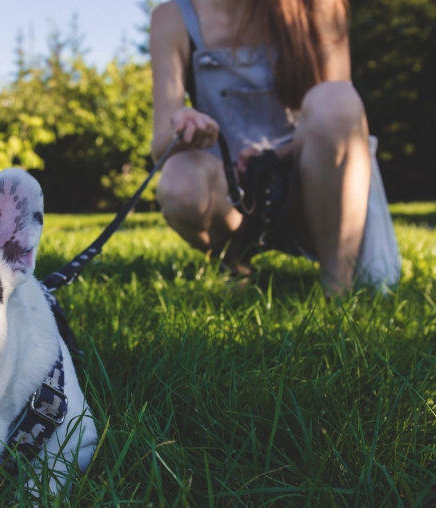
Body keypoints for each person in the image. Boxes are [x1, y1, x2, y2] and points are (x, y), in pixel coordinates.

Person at [150, 0, 400, 294]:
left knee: (336, 99)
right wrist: (184, 126)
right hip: (234, 195)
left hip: (311, 189)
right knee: (179, 178)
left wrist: (269, 157)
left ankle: (338, 286)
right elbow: (160, 148)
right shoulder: (172, 17)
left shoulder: (320, 7)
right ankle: (233, 261)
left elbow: (342, 117)